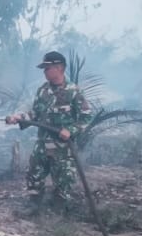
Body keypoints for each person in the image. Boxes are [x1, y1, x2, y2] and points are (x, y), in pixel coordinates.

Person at [5, 51, 93, 214]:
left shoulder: (74, 92)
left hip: (63, 148)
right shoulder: (42, 91)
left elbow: (86, 118)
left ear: (59, 68)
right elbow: (35, 115)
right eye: (44, 69)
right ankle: (34, 206)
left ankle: (58, 213)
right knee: (34, 174)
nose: (44, 72)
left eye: (47, 68)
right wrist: (19, 117)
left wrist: (70, 130)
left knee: (63, 180)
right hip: (42, 144)